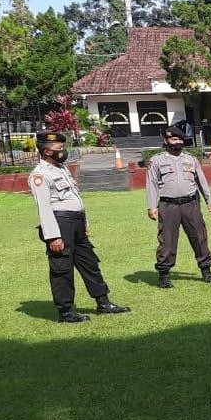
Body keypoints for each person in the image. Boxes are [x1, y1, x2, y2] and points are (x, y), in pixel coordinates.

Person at [28, 131, 131, 323]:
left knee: (90, 263)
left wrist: (84, 223)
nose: (63, 151)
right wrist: (53, 237)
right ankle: (65, 311)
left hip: (76, 223)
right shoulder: (39, 175)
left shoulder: (62, 169)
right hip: (60, 224)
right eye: (58, 148)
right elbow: (44, 208)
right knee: (62, 268)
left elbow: (76, 198)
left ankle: (103, 302)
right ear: (46, 151)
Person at [145, 125, 211, 288]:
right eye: (173, 139)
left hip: (190, 204)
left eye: (179, 139)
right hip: (168, 205)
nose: (177, 142)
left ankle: (206, 270)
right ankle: (164, 275)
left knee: (199, 237)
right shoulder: (157, 160)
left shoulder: (190, 159)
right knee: (167, 240)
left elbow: (202, 181)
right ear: (166, 141)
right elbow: (151, 184)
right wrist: (151, 206)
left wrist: (209, 201)